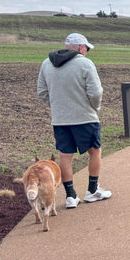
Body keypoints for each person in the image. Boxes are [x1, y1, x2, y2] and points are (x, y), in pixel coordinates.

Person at [37, 33, 112, 208]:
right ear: (80, 47)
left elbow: (42, 91)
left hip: (60, 119)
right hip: (85, 117)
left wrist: (57, 106)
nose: (87, 52)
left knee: (65, 154)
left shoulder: (47, 64)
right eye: (86, 48)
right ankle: (92, 190)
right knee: (95, 151)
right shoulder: (85, 64)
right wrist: (95, 107)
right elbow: (95, 92)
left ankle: (70, 196)